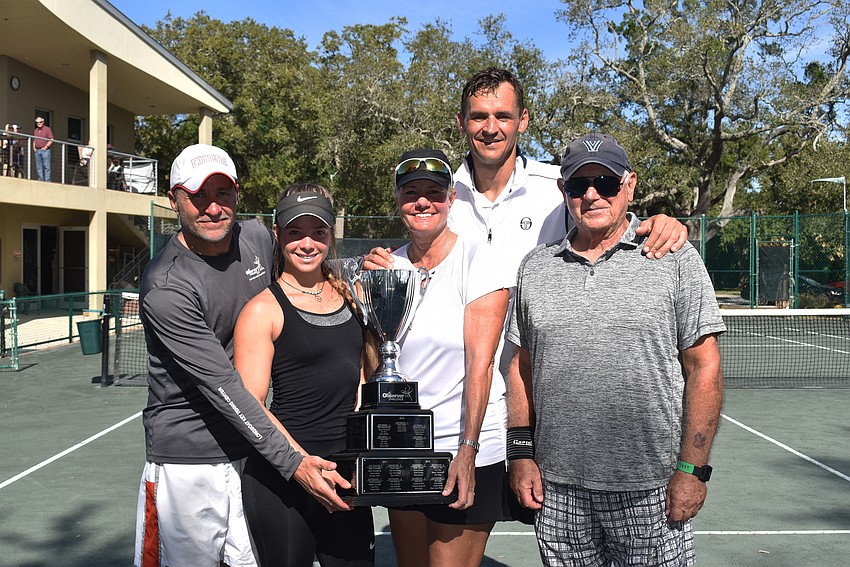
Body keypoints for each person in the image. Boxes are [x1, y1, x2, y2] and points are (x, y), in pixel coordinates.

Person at [506, 133, 726, 566]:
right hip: (558, 492)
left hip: (651, 491)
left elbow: (705, 368)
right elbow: (520, 367)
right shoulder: (536, 267)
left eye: (605, 182)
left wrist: (692, 470)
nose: (591, 195)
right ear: (563, 190)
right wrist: (521, 454)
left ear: (630, 185)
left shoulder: (673, 257)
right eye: (578, 184)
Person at [134, 144, 352, 567]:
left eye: (223, 193)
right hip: (189, 466)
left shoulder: (254, 237)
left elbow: (307, 264)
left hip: (253, 456)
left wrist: (362, 270)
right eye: (197, 196)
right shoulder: (167, 287)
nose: (213, 208)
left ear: (237, 194)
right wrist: (296, 464)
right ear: (174, 200)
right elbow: (225, 388)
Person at [365, 67, 689, 277]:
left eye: (503, 116)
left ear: (522, 121)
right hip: (464, 366)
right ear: (461, 122)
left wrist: (661, 224)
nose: (490, 128)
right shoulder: (438, 197)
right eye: (479, 117)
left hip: (537, 365)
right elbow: (418, 260)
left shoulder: (561, 188)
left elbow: (610, 227)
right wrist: (385, 263)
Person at [376, 149, 518, 567]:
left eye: (434, 192)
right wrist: (368, 293)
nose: (423, 202)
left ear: (452, 199)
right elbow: (376, 360)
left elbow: (481, 364)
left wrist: (467, 450)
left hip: (463, 447)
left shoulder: (479, 259)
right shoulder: (386, 266)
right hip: (404, 447)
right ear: (398, 200)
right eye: (411, 192)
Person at [234, 184, 376, 567]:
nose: (307, 243)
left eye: (318, 232)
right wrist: (301, 466)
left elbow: (365, 375)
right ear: (277, 234)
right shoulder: (262, 310)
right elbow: (250, 406)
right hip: (282, 478)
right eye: (295, 232)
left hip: (345, 475)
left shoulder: (353, 295)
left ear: (331, 234)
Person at [32, 116, 53, 182]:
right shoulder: (35, 130)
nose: (39, 123)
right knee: (38, 166)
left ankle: (47, 180)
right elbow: (34, 139)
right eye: (37, 122)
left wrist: (46, 146)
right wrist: (34, 148)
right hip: (37, 150)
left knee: (46, 166)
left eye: (40, 122)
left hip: (45, 151)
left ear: (43, 122)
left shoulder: (47, 129)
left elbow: (51, 139)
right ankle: (40, 180)